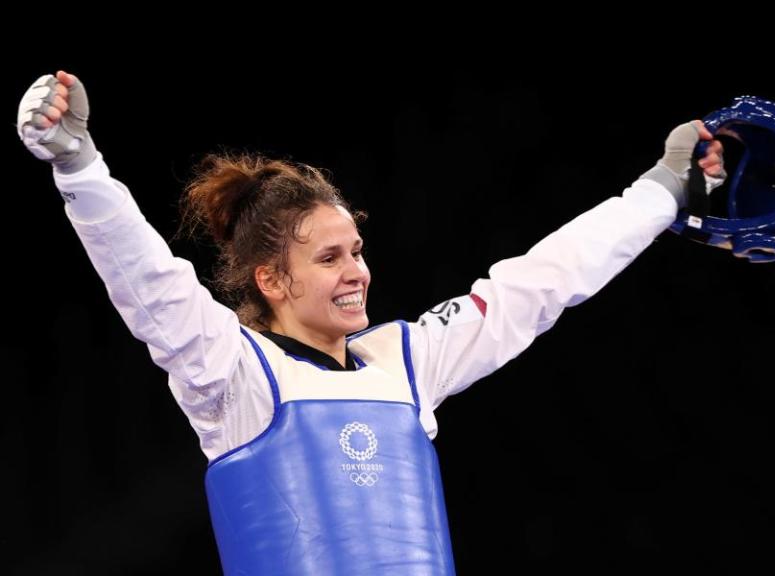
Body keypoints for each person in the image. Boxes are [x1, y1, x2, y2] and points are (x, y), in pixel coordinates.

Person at [17, 70, 725, 575]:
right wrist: (79, 166)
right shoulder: (235, 373)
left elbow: (542, 282)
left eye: (356, 250)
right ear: (272, 280)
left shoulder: (408, 362)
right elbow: (148, 282)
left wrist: (661, 189)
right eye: (329, 258)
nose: (357, 271)